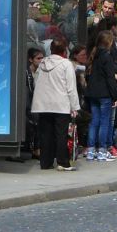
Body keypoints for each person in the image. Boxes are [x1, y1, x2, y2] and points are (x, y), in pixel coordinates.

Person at [31, 36, 79, 172]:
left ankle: (45, 162)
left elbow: (36, 81)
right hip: (60, 104)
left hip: (43, 104)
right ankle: (63, 162)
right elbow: (71, 88)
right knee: (60, 134)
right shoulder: (66, 64)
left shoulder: (42, 63)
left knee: (45, 134)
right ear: (64, 50)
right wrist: (74, 106)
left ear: (51, 50)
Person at [84, 30, 117, 162]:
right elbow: (110, 78)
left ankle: (91, 149)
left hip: (93, 93)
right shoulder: (107, 56)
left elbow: (88, 75)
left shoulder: (93, 55)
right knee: (104, 122)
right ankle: (102, 150)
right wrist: (114, 96)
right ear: (109, 42)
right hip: (104, 93)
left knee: (94, 122)